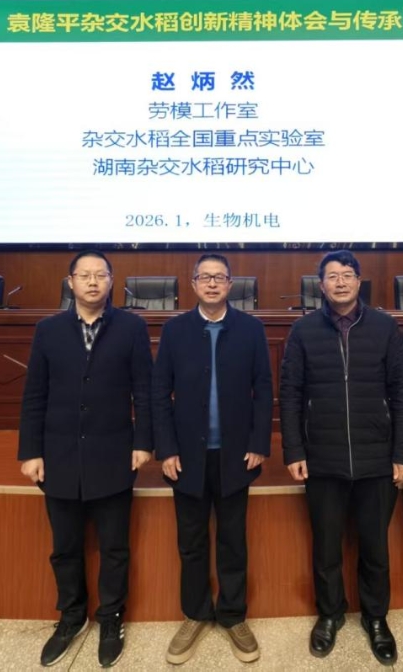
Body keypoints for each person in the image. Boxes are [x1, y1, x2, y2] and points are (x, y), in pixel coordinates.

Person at [279, 249, 403, 667]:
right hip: (322, 456)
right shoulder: (303, 330)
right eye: (332, 276)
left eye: (347, 275)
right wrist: (294, 449)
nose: (340, 282)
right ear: (320, 285)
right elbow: (290, 393)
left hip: (377, 457)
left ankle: (376, 618)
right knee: (326, 547)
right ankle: (330, 614)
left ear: (359, 281)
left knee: (375, 547)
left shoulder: (384, 327)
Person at [18, 250, 153, 668]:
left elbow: (144, 391)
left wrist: (143, 443)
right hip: (58, 455)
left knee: (114, 547)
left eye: (101, 275)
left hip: (114, 453)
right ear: (71, 282)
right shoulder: (48, 330)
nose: (93, 282)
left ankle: (111, 618)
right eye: (85, 275)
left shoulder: (131, 327)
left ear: (112, 281)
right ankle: (71, 616)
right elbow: (34, 395)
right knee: (65, 548)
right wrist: (31, 451)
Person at [152, 253, 273, 665]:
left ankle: (233, 615)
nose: (212, 283)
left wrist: (259, 442)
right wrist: (166, 448)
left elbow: (263, 388)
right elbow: (159, 393)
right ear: (193, 284)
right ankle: (195, 614)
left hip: (236, 455)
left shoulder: (251, 329)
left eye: (219, 277)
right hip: (187, 456)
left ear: (231, 284)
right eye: (204, 277)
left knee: (232, 541)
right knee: (191, 542)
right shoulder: (175, 330)